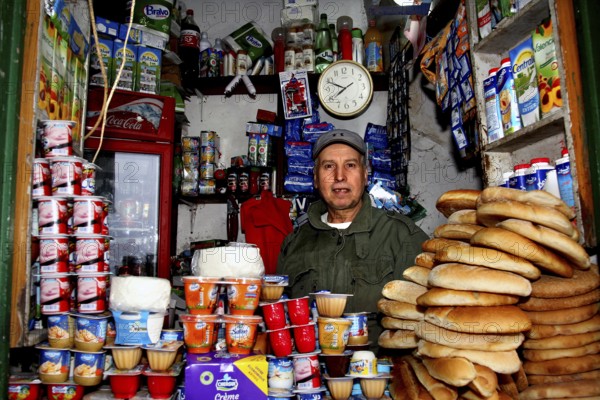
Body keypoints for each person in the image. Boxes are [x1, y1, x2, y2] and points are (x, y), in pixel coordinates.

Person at [277, 129, 429, 350]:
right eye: (328, 166)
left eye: (350, 165)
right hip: (310, 376)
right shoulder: (294, 242)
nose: (339, 176)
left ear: (365, 175)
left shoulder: (402, 235)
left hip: (380, 375)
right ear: (316, 179)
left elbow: (429, 318)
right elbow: (280, 319)